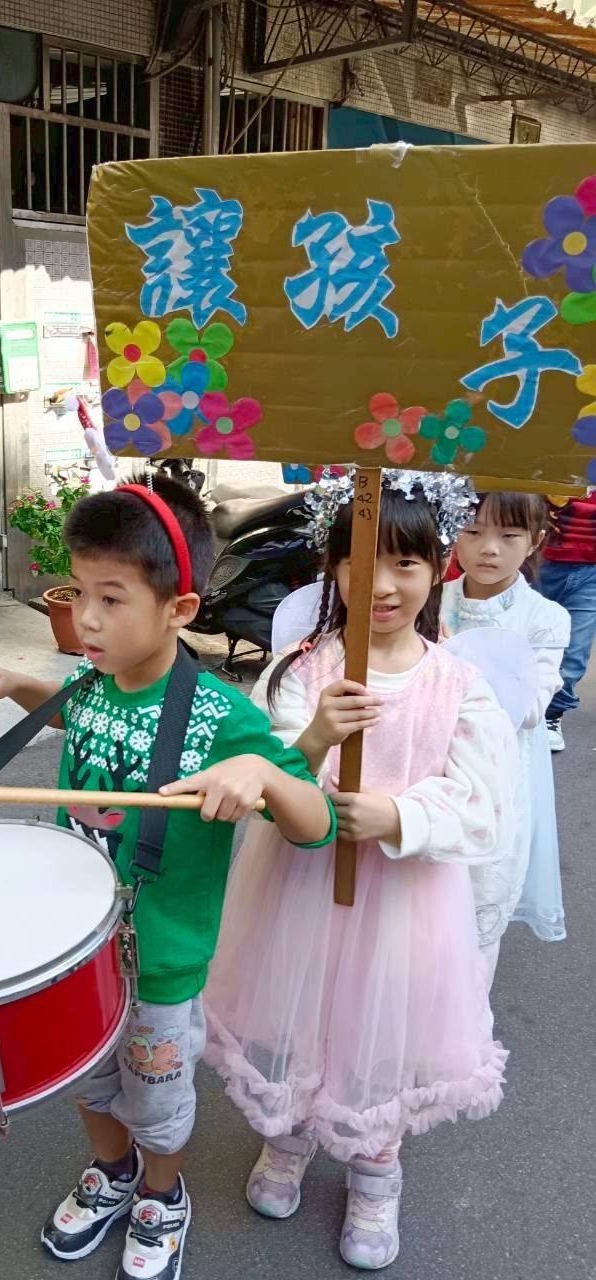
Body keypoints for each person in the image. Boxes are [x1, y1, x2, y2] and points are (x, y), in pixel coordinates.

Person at [0, 473, 335, 1280]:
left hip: (160, 964)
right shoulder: (95, 683)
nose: (86, 619)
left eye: (112, 598)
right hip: (72, 947)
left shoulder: (222, 717)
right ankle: (113, 1172)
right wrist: (22, 688)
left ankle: (162, 1193)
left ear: (179, 609)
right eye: (78, 592)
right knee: (86, 1079)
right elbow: (75, 710)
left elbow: (316, 824)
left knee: (157, 1100)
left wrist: (264, 776)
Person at [195, 471, 516, 1272]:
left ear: (437, 568)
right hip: (300, 889)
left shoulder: (457, 685)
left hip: (405, 902)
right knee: (299, 1014)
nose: (383, 584)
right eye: (361, 562)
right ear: (333, 568)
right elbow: (268, 772)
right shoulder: (304, 670)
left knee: (383, 1036)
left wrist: (401, 816)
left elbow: (484, 804)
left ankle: (377, 1169)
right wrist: (314, 741)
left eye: (405, 563)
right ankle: (291, 1136)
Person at [443, 492, 570, 969]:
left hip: (496, 773)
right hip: (427, 764)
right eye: (473, 531)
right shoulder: (429, 598)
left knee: (479, 899)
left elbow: (530, 709)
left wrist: (451, 663)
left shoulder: (545, 618)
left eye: (508, 535)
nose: (488, 548)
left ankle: (468, 1008)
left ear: (535, 540)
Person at [537, 492, 596, 752]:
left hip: (590, 571)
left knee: (575, 651)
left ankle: (551, 714)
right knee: (526, 637)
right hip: (537, 560)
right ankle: (518, 707)